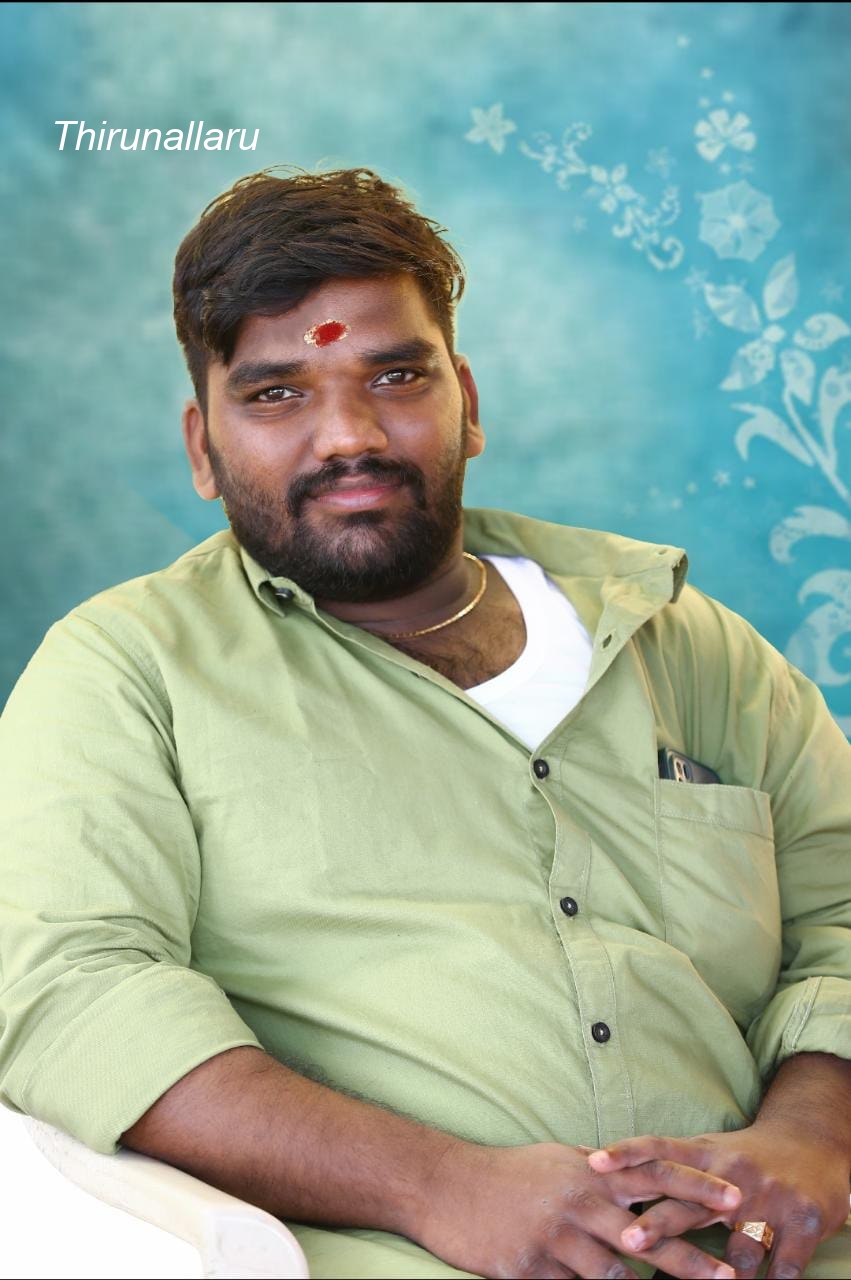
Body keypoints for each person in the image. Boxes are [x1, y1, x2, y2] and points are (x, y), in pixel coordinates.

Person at [0, 166, 849, 1280]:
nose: (347, 435)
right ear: (201, 448)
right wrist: (438, 1184)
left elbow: (838, 910)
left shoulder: (681, 641)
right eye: (275, 394)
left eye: (395, 375)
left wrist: (815, 1135)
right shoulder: (127, 672)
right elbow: (72, 991)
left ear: (468, 401)